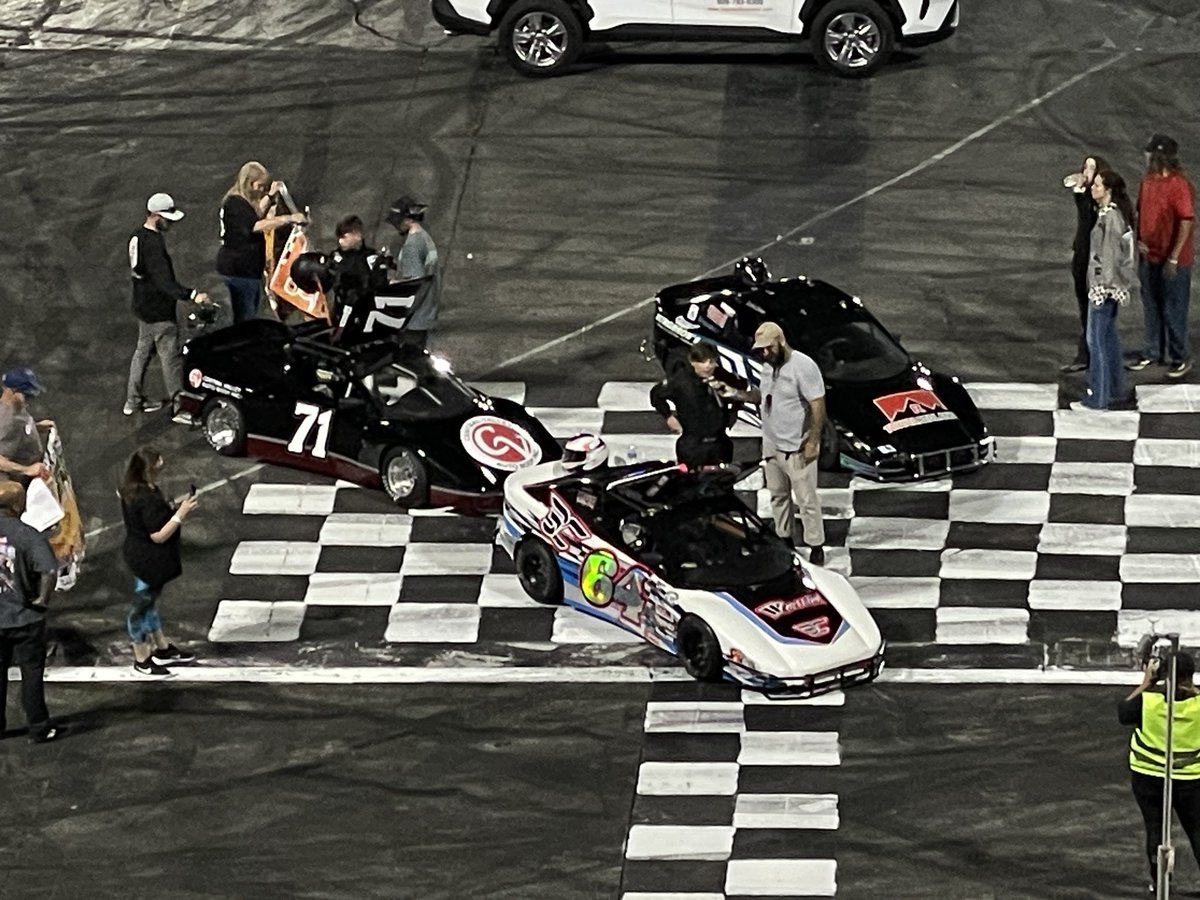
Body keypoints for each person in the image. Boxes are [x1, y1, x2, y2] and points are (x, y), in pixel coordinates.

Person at [737, 321, 826, 565]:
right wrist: (740, 394)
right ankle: (784, 538)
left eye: (768, 348)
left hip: (797, 446)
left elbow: (818, 405)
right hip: (772, 443)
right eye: (760, 350)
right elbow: (764, 397)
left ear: (781, 341)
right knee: (777, 495)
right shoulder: (768, 366)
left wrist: (813, 441)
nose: (764, 354)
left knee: (806, 500)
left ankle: (816, 545)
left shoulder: (803, 366)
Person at [1119, 651, 1200, 892]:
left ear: (1162, 674)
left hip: (1148, 776)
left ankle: (1161, 884)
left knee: (1155, 827)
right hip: (1190, 779)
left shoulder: (1148, 701)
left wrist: (1146, 683)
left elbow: (1124, 713)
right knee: (1197, 829)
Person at [125, 192, 209, 416]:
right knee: (170, 356)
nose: (170, 222)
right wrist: (191, 295)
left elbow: (140, 272)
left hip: (142, 306)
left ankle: (132, 401)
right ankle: (181, 405)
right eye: (166, 217)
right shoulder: (153, 245)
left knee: (142, 352)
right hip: (159, 310)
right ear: (154, 215)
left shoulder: (137, 236)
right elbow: (164, 282)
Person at [118, 447, 198, 677]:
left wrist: (171, 510)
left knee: (150, 601)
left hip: (140, 555)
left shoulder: (133, 491)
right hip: (148, 561)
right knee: (141, 608)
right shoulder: (146, 498)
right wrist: (180, 514)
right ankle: (141, 658)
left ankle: (162, 647)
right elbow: (158, 535)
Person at [1129, 134, 1195, 378]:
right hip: (1150, 256)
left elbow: (1186, 221)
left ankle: (1180, 356)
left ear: (1158, 156)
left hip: (1173, 260)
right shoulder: (1147, 181)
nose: (1145, 156)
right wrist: (1139, 240)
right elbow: (1141, 212)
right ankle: (1152, 352)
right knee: (1152, 306)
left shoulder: (1179, 185)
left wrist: (1175, 257)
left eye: (1149, 152)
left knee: (1173, 308)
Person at [1070, 169, 1137, 411]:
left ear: (1108, 190)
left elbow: (1108, 258)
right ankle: (1115, 391)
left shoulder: (1109, 218)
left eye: (1097, 185)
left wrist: (1101, 287)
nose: (1093, 189)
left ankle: (1098, 397)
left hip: (1104, 287)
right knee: (1108, 341)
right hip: (1114, 287)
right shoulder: (1116, 215)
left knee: (1096, 342)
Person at [0, 482, 59, 743]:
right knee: (32, 675)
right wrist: (42, 600)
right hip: (26, 617)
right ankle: (38, 726)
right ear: (16, 505)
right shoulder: (27, 535)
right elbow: (49, 570)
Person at [216, 161, 307, 323]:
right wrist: (288, 219)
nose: (262, 191)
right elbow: (254, 225)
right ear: (250, 184)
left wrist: (271, 196)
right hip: (239, 271)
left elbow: (255, 215)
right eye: (260, 186)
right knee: (246, 319)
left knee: (250, 312)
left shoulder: (242, 205)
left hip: (248, 271)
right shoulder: (234, 204)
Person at [1061, 154, 1111, 372]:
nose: (1086, 172)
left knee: (1096, 309)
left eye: (1091, 168)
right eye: (1085, 167)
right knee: (1084, 306)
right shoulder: (1087, 196)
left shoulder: (1103, 200)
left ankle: (1092, 354)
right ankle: (1088, 351)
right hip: (1082, 258)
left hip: (1096, 261)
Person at [649, 342, 737, 468]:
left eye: (711, 361)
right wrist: (668, 416)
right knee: (691, 482)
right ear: (693, 362)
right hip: (693, 443)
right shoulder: (680, 381)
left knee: (722, 480)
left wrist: (733, 412)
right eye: (703, 361)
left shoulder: (723, 378)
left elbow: (739, 393)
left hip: (719, 441)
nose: (708, 366)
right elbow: (656, 395)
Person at [386, 196, 441, 349]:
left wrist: (392, 283)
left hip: (414, 317)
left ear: (406, 219)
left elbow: (414, 282)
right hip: (425, 313)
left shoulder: (413, 244)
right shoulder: (425, 238)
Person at [330, 214, 390, 318]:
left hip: (368, 313)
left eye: (344, 237)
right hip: (341, 314)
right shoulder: (335, 257)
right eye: (339, 237)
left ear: (357, 235)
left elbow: (380, 285)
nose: (340, 241)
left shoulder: (372, 257)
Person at [0, 368, 51, 485]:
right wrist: (26, 470)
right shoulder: (8, 420)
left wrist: (35, 427)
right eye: (26, 396)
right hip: (10, 478)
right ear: (11, 392)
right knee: (16, 493)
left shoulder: (14, 408)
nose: (29, 400)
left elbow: (15, 431)